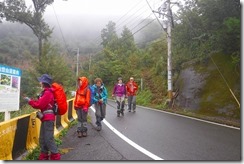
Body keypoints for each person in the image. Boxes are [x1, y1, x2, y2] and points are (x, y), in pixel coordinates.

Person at [24, 74, 61, 160]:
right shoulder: (46, 92)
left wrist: (30, 101)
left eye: (41, 81)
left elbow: (39, 104)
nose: (39, 83)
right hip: (45, 118)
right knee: (43, 138)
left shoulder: (48, 93)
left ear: (44, 83)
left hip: (48, 119)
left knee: (48, 138)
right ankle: (44, 155)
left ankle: (55, 156)